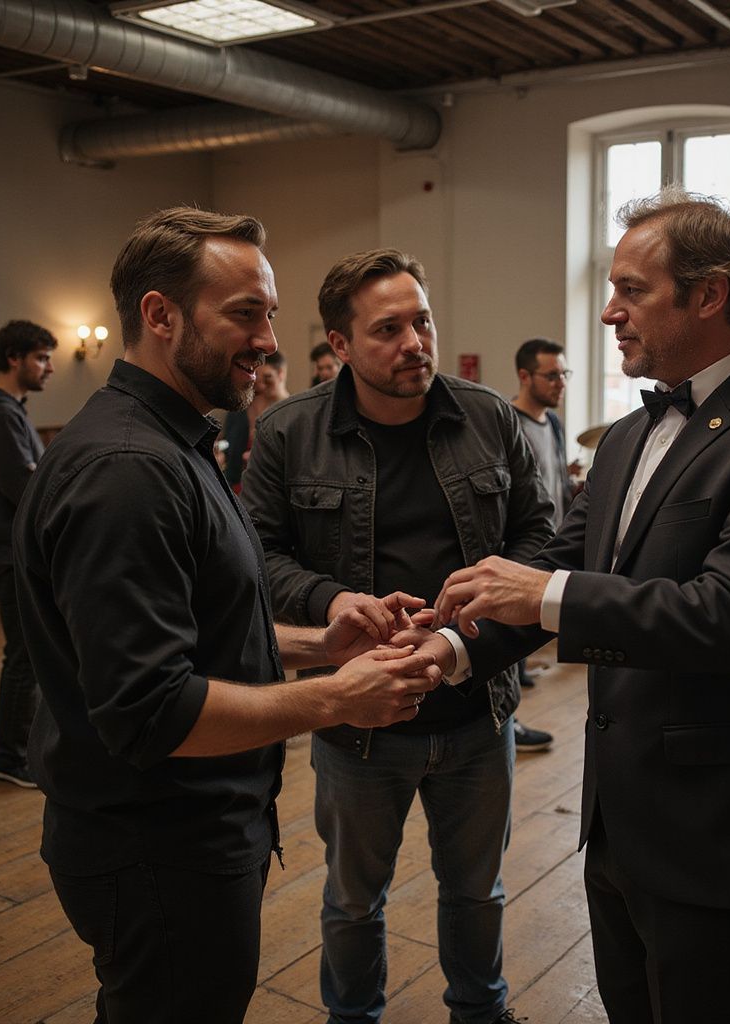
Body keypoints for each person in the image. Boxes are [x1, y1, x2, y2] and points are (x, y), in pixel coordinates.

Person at [413, 189, 730, 1024]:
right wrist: (454, 646)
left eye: (632, 289)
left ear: (709, 294)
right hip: (619, 817)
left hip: (719, 825)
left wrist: (544, 592)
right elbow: (559, 563)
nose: (608, 313)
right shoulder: (625, 435)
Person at [12, 208, 442, 1024]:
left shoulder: (174, 442)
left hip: (184, 835)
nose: (269, 340)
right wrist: (337, 699)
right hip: (155, 850)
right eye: (245, 312)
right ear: (160, 315)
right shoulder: (128, 471)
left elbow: (193, 626)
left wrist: (322, 645)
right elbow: (151, 707)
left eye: (270, 313)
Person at [242, 248, 555, 1024]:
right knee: (353, 902)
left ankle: (480, 1011)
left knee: (477, 891)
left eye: (422, 320)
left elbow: (542, 539)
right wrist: (334, 597)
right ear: (340, 345)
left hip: (479, 707)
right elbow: (254, 559)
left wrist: (470, 626)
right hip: (357, 719)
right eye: (388, 328)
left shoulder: (489, 419)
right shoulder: (288, 433)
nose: (415, 341)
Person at [0, 319, 56, 788]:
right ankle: (11, 756)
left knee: (27, 654)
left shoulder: (7, 411)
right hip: (8, 553)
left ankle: (18, 747)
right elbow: (24, 488)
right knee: (25, 656)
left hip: (8, 552)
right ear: (15, 359)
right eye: (41, 358)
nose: (50, 367)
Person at [510, 337, 581, 692]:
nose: (561, 383)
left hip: (554, 538)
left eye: (563, 373)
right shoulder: (508, 424)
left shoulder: (553, 421)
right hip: (523, 543)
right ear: (525, 376)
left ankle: (518, 675)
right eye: (551, 376)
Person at [221, 349, 288, 490]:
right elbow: (227, 447)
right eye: (257, 377)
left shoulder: (291, 413)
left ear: (281, 374)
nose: (261, 385)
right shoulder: (239, 410)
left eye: (268, 378)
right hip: (235, 488)